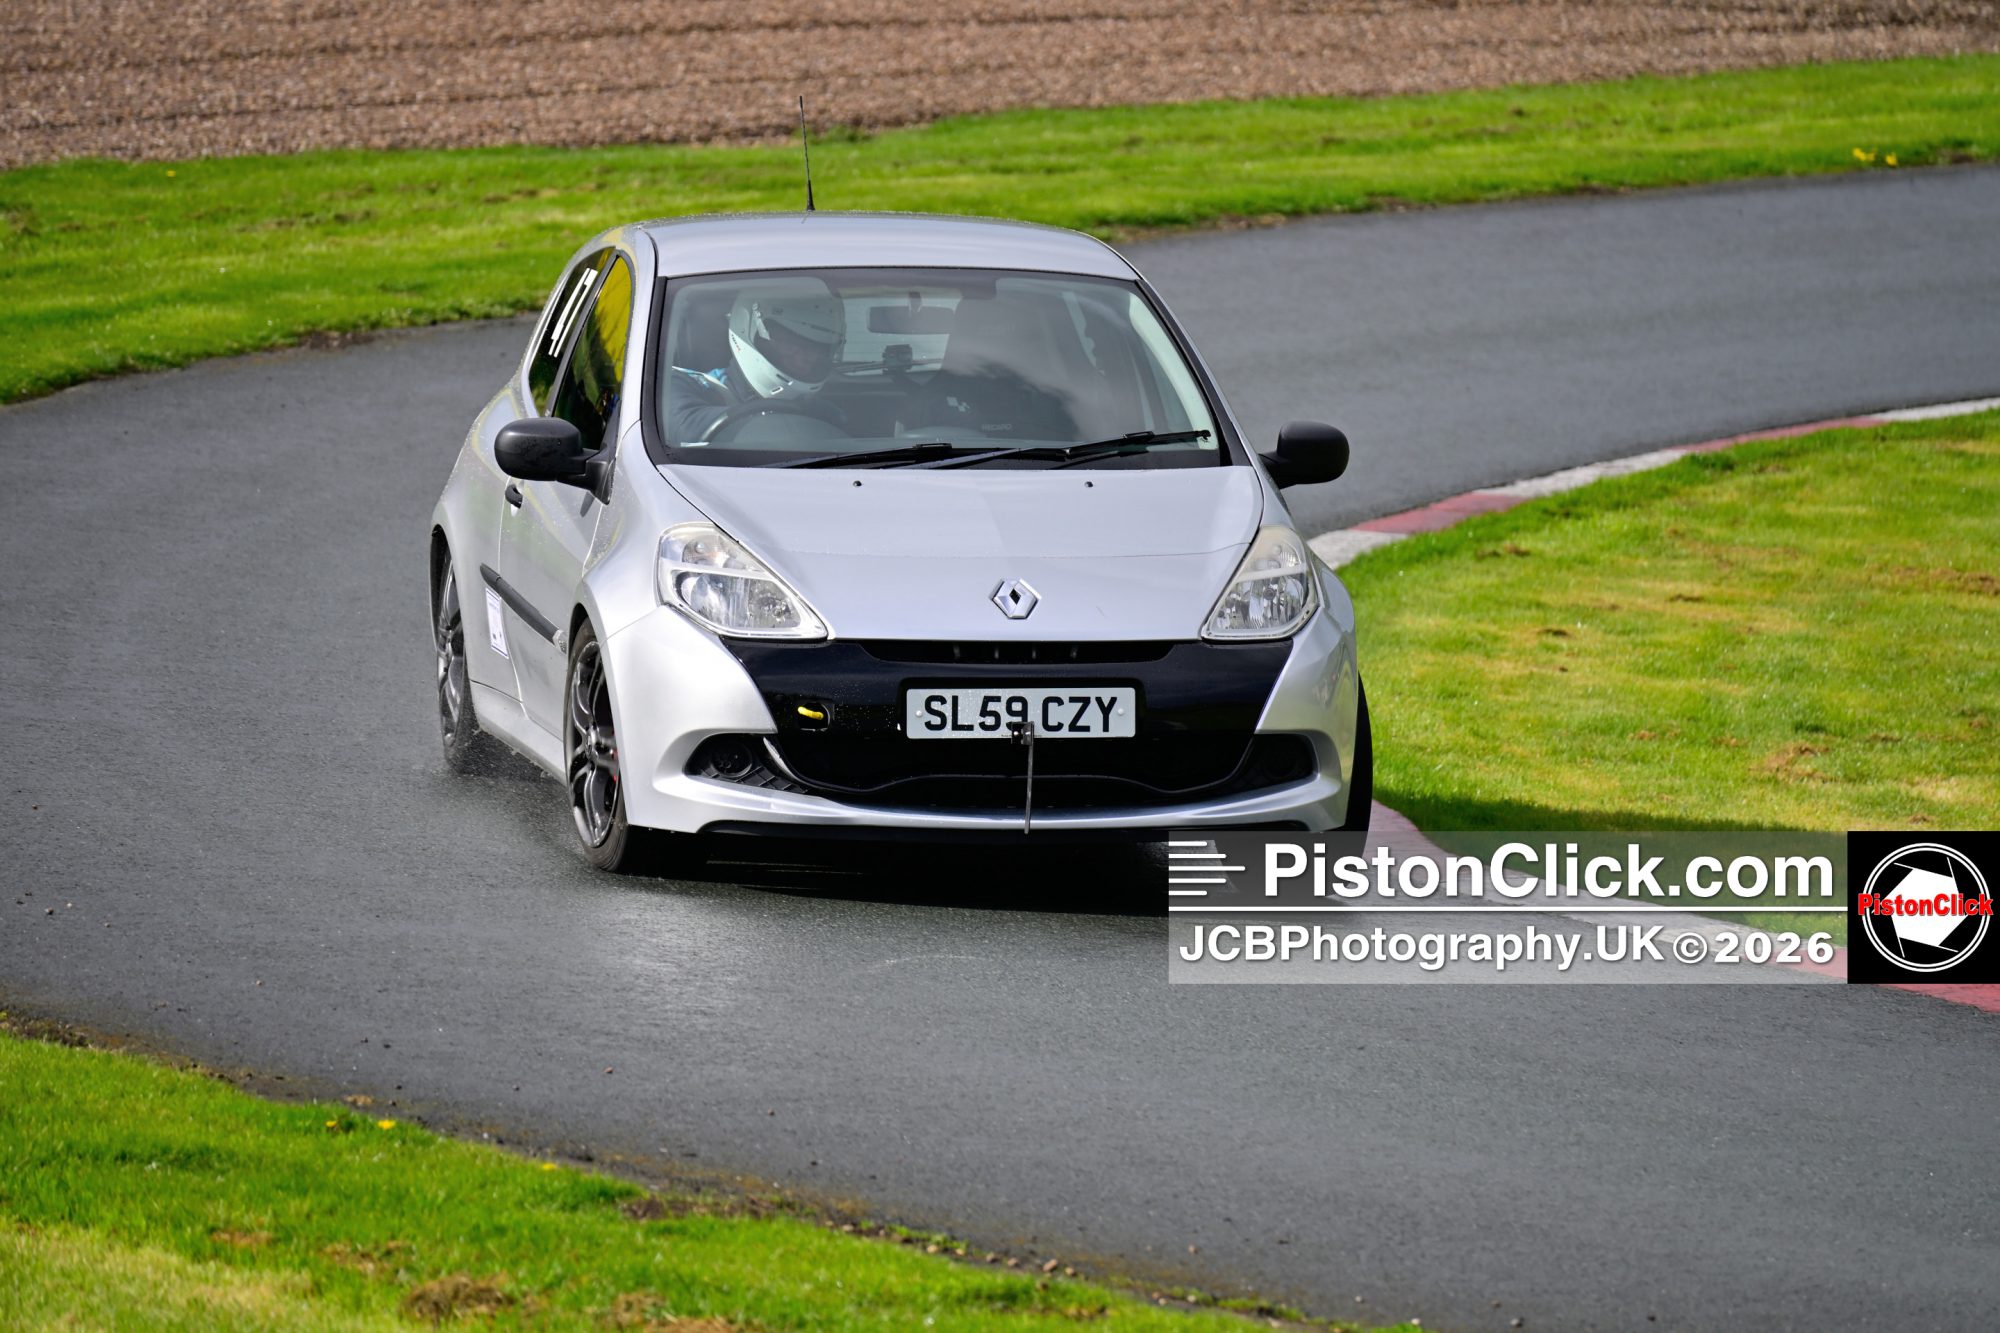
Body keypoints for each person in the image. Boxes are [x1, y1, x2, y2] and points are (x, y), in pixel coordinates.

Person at [669, 285, 848, 443]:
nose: (804, 360)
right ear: (745, 328)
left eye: (816, 349)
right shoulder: (683, 386)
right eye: (790, 343)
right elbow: (684, 429)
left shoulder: (823, 412)